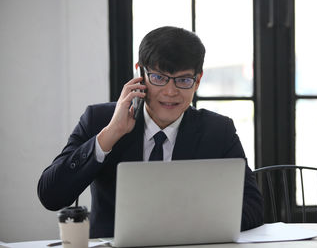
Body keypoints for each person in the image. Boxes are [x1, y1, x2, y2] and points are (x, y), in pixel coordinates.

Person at [37, 26, 264, 238]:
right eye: (158, 77)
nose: (170, 91)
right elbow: (51, 195)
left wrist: (185, 224)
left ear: (198, 81)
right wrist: (110, 134)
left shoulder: (218, 130)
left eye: (184, 80)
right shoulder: (100, 120)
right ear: (140, 73)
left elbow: (253, 208)